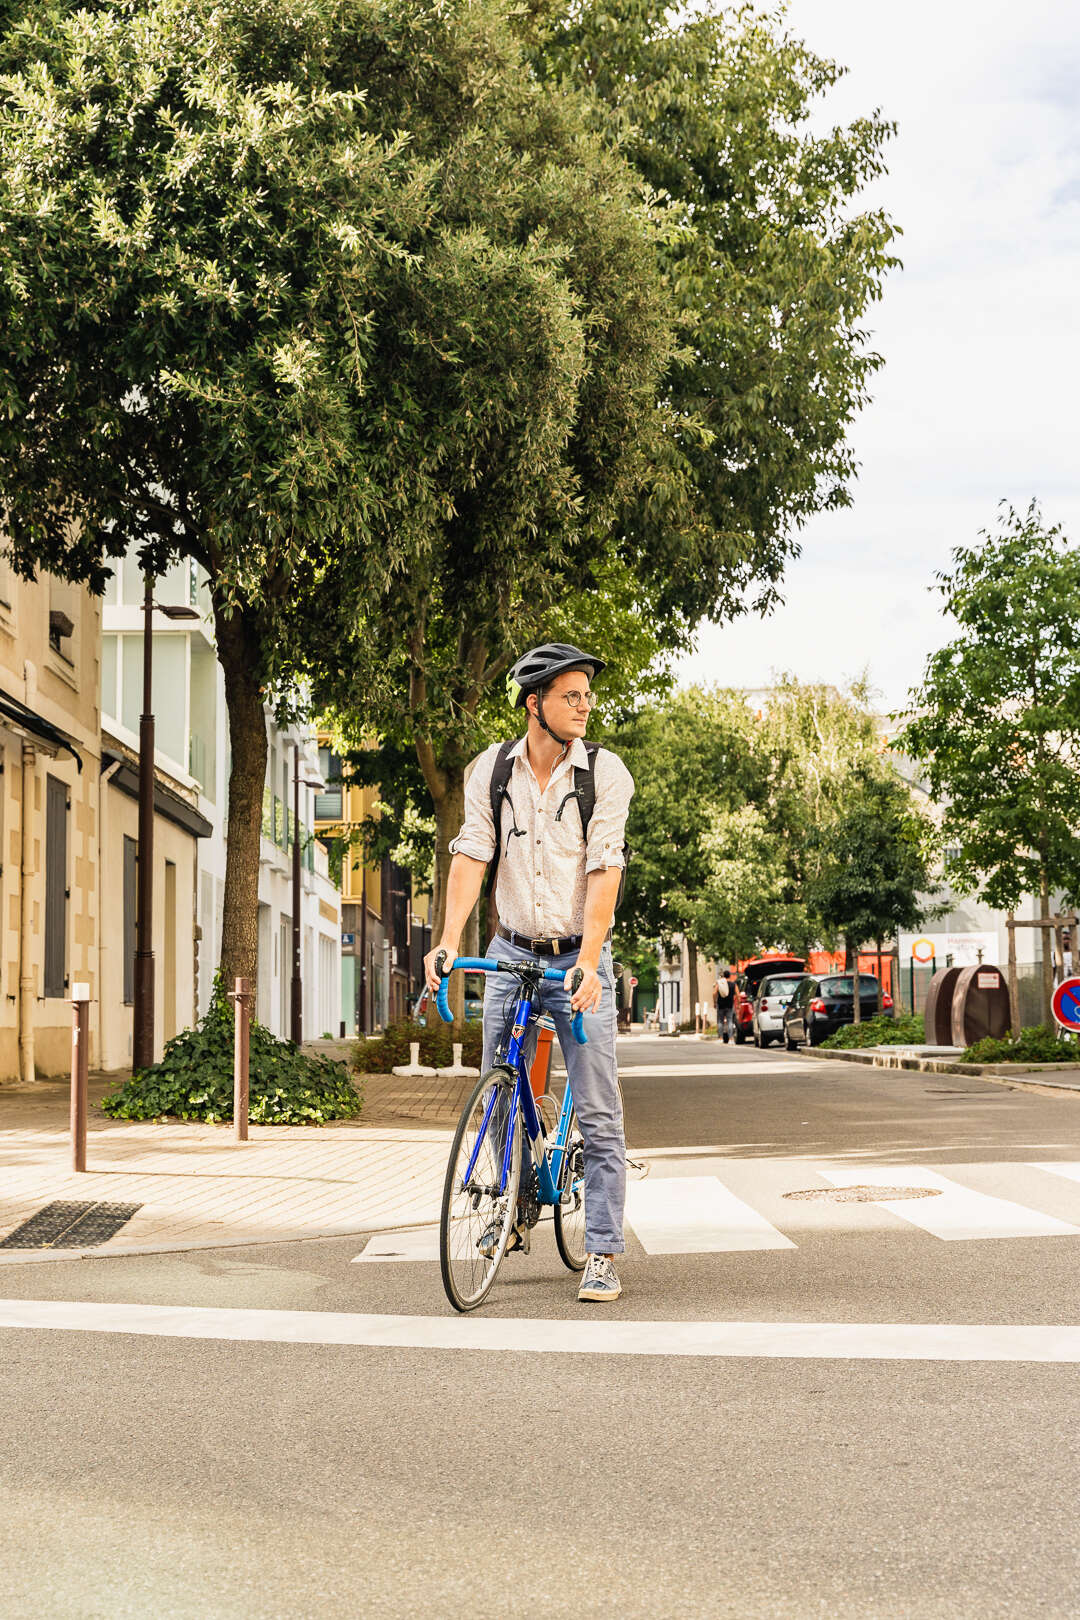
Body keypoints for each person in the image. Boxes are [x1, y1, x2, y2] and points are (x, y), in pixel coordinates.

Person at [425, 642, 633, 1304]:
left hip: (576, 955)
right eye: (571, 695)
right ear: (533, 703)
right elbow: (471, 855)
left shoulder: (604, 774)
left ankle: (600, 1250)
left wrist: (592, 964)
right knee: (496, 1097)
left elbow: (605, 870)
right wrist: (446, 942)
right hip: (511, 952)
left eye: (587, 695)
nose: (584, 706)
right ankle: (511, 1211)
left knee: (599, 1111)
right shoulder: (492, 771)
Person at [714, 969, 734, 1043]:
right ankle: (731, 1039)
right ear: (729, 976)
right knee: (730, 1021)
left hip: (721, 1005)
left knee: (720, 1022)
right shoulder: (733, 984)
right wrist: (737, 1003)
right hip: (730, 1005)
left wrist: (714, 1002)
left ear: (723, 976)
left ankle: (720, 1038)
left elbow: (714, 993)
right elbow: (738, 994)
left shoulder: (720, 983)